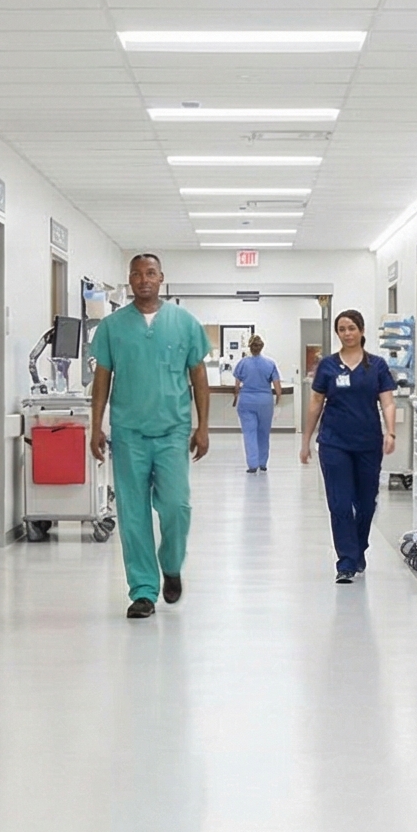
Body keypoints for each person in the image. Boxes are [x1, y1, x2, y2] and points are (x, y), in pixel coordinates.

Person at [86, 253, 210, 619]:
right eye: (137, 274)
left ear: (161, 278)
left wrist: (202, 426)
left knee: (176, 506)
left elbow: (198, 377)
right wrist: (97, 425)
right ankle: (142, 590)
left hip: (173, 430)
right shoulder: (112, 327)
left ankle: (171, 564)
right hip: (128, 433)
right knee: (133, 514)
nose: (144, 279)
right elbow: (102, 380)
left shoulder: (184, 323)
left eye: (151, 273)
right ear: (129, 280)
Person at [300, 309, 399, 582]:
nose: (347, 333)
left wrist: (390, 432)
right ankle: (345, 561)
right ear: (337, 333)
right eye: (342, 329)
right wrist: (306, 441)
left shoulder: (376, 366)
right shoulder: (328, 366)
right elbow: (315, 404)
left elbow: (388, 402)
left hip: (368, 443)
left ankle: (358, 548)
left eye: (352, 328)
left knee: (366, 503)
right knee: (340, 503)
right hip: (334, 442)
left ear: (362, 330)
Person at [232, 335, 280, 473]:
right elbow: (277, 387)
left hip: (247, 401)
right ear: (261, 347)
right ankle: (263, 463)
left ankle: (252, 464)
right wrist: (278, 401)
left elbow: (236, 385)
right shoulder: (270, 364)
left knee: (249, 432)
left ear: (250, 347)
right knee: (264, 433)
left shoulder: (242, 363)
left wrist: (236, 396)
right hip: (265, 401)